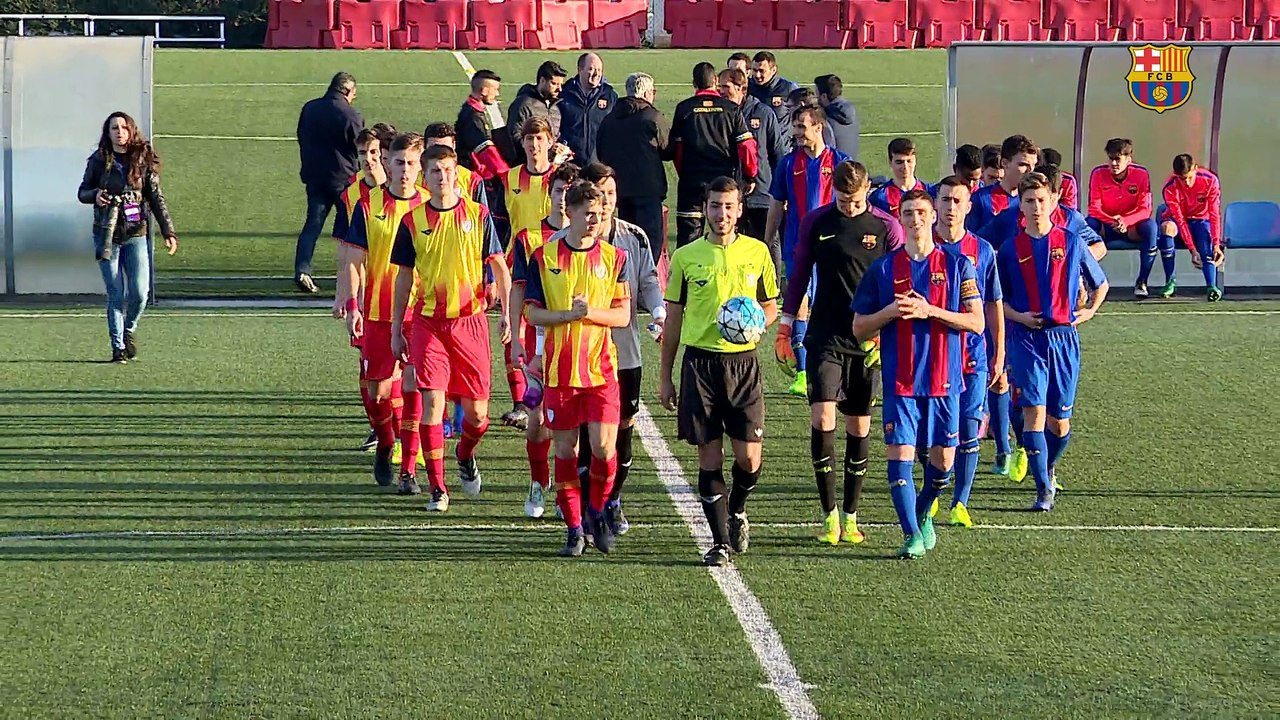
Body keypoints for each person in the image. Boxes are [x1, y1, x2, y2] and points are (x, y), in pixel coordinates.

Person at [851, 189, 986, 559]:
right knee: (901, 459)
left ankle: (924, 511)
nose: (915, 219)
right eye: (907, 213)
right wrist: (890, 312)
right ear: (901, 217)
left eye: (921, 212)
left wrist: (931, 312)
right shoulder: (882, 268)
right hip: (901, 381)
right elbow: (860, 327)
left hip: (945, 380)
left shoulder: (959, 266)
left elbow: (976, 322)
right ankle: (911, 534)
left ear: (931, 217)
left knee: (942, 464)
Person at [775, 161, 900, 546]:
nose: (848, 207)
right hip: (825, 335)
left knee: (859, 426)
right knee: (823, 415)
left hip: (868, 339)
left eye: (856, 200)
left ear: (867, 193)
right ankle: (828, 514)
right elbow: (798, 275)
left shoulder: (886, 227)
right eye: (843, 200)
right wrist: (785, 325)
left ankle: (851, 514)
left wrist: (885, 336)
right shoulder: (817, 222)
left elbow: (898, 282)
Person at [659, 177, 779, 567]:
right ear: (705, 209)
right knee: (709, 458)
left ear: (740, 209)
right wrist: (666, 375)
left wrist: (758, 323)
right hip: (701, 365)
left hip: (743, 365)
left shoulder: (757, 253)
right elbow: (673, 319)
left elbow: (772, 304)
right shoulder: (686, 257)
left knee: (749, 460)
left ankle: (738, 509)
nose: (722, 214)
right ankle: (719, 542)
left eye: (729, 206)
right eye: (715, 206)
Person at [388, 145, 512, 512]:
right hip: (428, 324)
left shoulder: (478, 215)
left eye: (447, 170)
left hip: (470, 324)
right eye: (435, 172)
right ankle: (438, 489)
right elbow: (403, 278)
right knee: (432, 404)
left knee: (477, 417)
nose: (442, 178)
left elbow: (500, 268)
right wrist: (398, 328)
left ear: (456, 173)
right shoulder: (411, 222)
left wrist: (506, 314)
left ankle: (465, 453)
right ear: (425, 179)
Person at [523, 181, 632, 556]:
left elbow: (623, 315)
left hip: (601, 371)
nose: (595, 220)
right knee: (567, 451)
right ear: (568, 212)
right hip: (559, 373)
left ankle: (598, 512)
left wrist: (590, 315)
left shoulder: (615, 258)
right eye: (588, 213)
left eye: (600, 214)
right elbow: (531, 311)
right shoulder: (544, 257)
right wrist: (567, 316)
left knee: (604, 447)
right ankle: (573, 529)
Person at [997, 172, 1109, 512]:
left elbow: (1100, 284)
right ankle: (1043, 489)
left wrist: (1088, 312)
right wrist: (1018, 317)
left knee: (1059, 422)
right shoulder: (1009, 248)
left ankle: (1047, 464)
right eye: (1028, 201)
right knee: (1034, 413)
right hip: (1026, 338)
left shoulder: (1072, 242)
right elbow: (997, 300)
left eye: (1040, 200)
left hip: (1063, 339)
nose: (1035, 207)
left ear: (1053, 202)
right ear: (1021, 205)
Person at [572, 162, 665, 537]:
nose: (606, 202)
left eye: (611, 194)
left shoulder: (635, 237)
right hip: (582, 353)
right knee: (584, 432)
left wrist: (659, 311)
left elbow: (649, 280)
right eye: (599, 195)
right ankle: (585, 506)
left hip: (624, 353)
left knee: (622, 430)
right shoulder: (571, 240)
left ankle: (612, 498)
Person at [334, 132, 428, 489]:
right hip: (376, 313)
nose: (405, 170)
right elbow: (355, 261)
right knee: (377, 393)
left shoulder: (431, 208)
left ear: (421, 167)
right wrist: (352, 303)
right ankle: (386, 440)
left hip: (420, 314)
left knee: (414, 385)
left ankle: (408, 468)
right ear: (387, 164)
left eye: (411, 163)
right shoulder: (368, 205)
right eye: (399, 163)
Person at [931, 176, 1004, 528]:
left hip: (972, 353)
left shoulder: (983, 250)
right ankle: (932, 489)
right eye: (945, 200)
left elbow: (993, 305)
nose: (950, 207)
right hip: (932, 354)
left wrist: (999, 351)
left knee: (970, 426)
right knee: (931, 433)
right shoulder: (923, 246)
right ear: (936, 204)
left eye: (957, 201)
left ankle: (960, 501)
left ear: (968, 206)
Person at [78, 111, 178, 363]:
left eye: (124, 127)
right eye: (114, 128)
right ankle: (118, 347)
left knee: (140, 292)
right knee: (115, 293)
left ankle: (129, 328)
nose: (119, 132)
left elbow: (156, 197)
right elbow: (82, 192)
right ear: (107, 132)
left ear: (131, 131)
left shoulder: (142, 160)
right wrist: (96, 195)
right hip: (107, 233)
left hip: (136, 233)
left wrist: (168, 231)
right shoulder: (99, 160)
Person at [764, 106, 851, 397]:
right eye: (795, 127)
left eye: (802, 127)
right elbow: (776, 205)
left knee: (834, 306)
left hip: (833, 250)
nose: (797, 133)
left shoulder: (840, 163)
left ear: (819, 127)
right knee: (799, 304)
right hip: (797, 247)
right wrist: (767, 243)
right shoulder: (789, 164)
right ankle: (803, 374)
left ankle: (843, 369)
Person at [509, 163, 578, 519]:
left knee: (573, 427)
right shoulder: (528, 238)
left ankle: (571, 494)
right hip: (538, 343)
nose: (564, 198)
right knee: (537, 420)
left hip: (578, 347)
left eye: (571, 191)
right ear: (548, 194)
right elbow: (518, 287)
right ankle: (539, 481)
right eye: (559, 190)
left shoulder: (591, 239)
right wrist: (513, 331)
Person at [496, 117, 560, 430]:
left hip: (554, 265)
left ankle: (551, 394)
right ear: (522, 143)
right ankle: (522, 402)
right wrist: (490, 271)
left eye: (539, 138)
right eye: (529, 139)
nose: (534, 145)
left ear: (550, 141)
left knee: (550, 334)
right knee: (513, 336)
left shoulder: (560, 179)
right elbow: (498, 225)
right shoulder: (509, 179)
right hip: (516, 265)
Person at [334, 127, 387, 452]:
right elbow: (344, 249)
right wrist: (344, 293)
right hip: (366, 295)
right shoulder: (350, 195)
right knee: (367, 364)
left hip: (403, 294)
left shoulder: (405, 189)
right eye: (362, 154)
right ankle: (378, 425)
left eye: (373, 153)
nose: (368, 160)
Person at [669, 62, 759, 249]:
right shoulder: (731, 109)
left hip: (691, 184)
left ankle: (687, 278)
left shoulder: (684, 109)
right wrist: (750, 176)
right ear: (716, 81)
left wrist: (685, 173)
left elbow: (677, 151)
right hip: (724, 183)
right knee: (726, 235)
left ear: (694, 83)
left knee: (688, 241)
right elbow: (747, 147)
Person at [294, 72, 363, 294]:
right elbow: (358, 147)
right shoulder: (351, 115)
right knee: (351, 230)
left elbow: (301, 136)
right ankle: (350, 275)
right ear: (347, 91)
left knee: (312, 225)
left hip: (315, 177)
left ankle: (302, 270)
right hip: (344, 180)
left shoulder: (310, 108)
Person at [597, 72, 671, 262]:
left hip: (620, 192)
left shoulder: (609, 119)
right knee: (650, 242)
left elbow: (600, 152)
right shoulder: (652, 117)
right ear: (646, 93)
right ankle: (647, 282)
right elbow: (669, 150)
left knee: (625, 241)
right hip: (648, 190)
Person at [718, 68, 787, 243]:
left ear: (742, 88)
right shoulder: (720, 114)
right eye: (720, 87)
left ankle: (773, 272)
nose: (721, 91)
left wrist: (782, 191)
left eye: (726, 86)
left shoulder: (763, 113)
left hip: (761, 194)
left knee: (767, 244)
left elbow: (777, 153)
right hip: (730, 194)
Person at [1086, 138, 1159, 298]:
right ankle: (1088, 281)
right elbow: (1094, 208)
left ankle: (1142, 281)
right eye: (1110, 158)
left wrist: (1126, 221)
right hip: (1107, 226)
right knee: (1088, 224)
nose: (1113, 163)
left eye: (1118, 159)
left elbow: (1145, 209)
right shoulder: (1098, 174)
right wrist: (1112, 220)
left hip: (1131, 228)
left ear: (1128, 159)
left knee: (1151, 227)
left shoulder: (1141, 174)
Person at [1161, 153, 1224, 301]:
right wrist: (1192, 249)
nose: (1187, 183)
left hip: (1200, 219)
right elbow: (1180, 219)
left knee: (1205, 237)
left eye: (1189, 177)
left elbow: (1214, 214)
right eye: (1182, 179)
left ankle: (1211, 286)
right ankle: (1170, 281)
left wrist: (1217, 244)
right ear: (1176, 175)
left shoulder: (1210, 181)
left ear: (1195, 168)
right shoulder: (1170, 187)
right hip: (1178, 221)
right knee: (1166, 227)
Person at [967, 134, 1037, 232]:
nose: (1030, 171)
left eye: (1034, 165)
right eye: (1023, 164)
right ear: (1004, 163)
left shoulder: (1037, 201)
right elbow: (970, 241)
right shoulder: (981, 199)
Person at [456, 69, 510, 195]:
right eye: (495, 89)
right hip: (473, 177)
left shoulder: (474, 112)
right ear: (484, 90)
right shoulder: (472, 116)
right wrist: (506, 174)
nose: (497, 94)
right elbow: (485, 150)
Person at [558, 53, 618, 165]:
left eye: (599, 70)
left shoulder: (610, 96)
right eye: (591, 69)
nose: (596, 74)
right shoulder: (564, 94)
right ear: (579, 69)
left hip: (598, 166)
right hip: (569, 165)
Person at [505, 60, 566, 166]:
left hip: (548, 168)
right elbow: (514, 136)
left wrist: (559, 148)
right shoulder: (524, 104)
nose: (559, 89)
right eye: (554, 84)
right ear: (542, 81)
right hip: (526, 168)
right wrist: (542, 149)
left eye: (561, 84)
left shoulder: (555, 108)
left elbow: (555, 136)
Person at [424, 122, 489, 208]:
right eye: (434, 149)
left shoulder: (472, 180)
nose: (439, 155)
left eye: (446, 149)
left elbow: (482, 216)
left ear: (454, 146)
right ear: (424, 147)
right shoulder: (412, 180)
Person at [868, 137, 932, 217]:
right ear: (890, 162)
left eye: (909, 161)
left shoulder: (930, 191)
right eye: (899, 162)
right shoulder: (879, 197)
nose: (905, 167)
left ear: (915, 161)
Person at [814, 75, 860, 161]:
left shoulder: (826, 118)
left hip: (834, 168)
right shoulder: (852, 112)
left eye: (817, 96)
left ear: (824, 96)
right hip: (852, 166)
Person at [748, 51, 800, 125]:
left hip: (781, 135)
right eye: (754, 70)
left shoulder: (788, 88)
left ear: (773, 70)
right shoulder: (747, 86)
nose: (757, 75)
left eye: (761, 71)